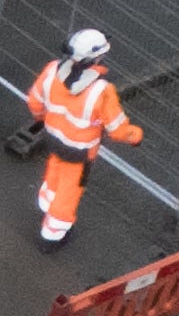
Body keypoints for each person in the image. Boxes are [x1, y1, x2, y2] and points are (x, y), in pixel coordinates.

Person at [22, 26, 143, 244]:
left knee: (53, 174)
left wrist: (42, 118)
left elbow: (34, 101)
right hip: (79, 152)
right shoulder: (101, 91)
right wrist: (135, 135)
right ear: (97, 57)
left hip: (52, 139)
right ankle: (52, 236)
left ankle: (45, 206)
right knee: (68, 194)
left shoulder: (51, 71)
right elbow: (117, 130)